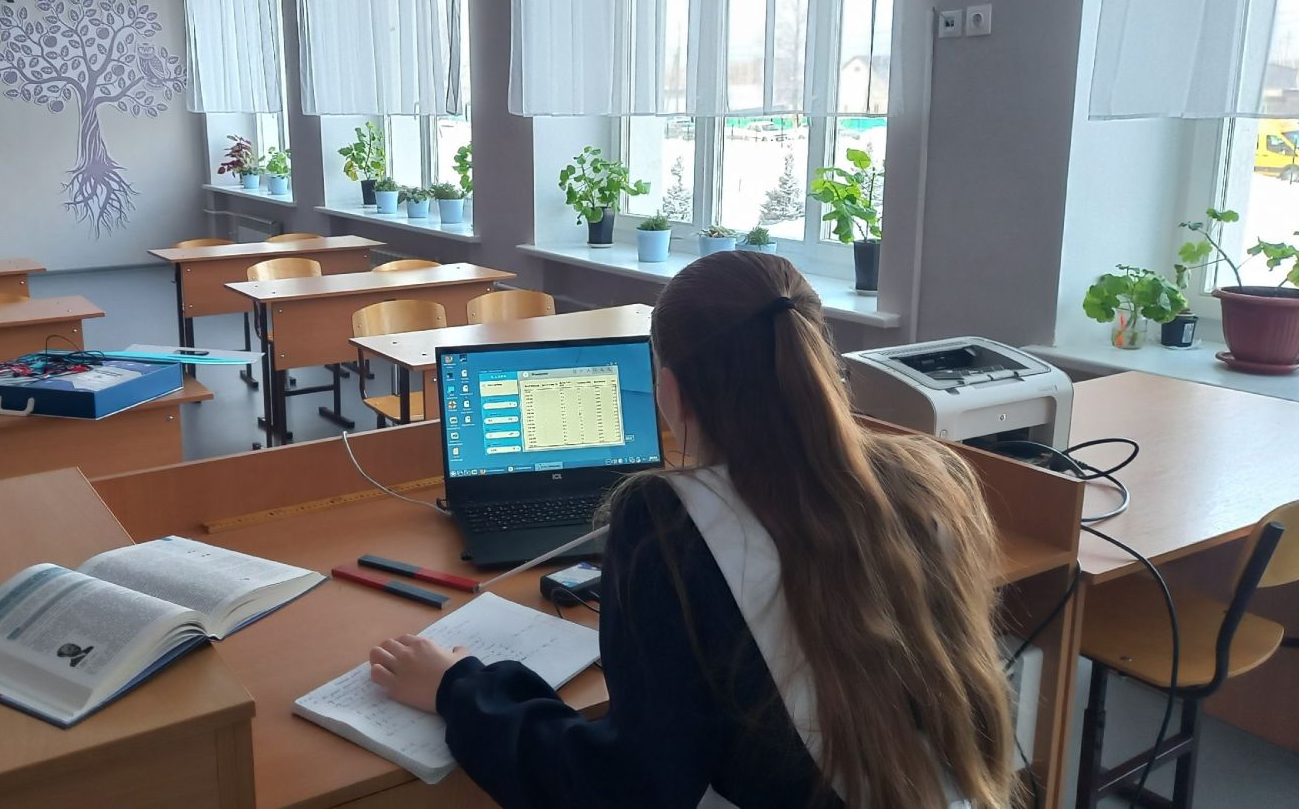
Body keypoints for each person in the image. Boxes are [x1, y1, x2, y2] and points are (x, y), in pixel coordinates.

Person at [367, 251, 1016, 809]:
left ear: (670, 392)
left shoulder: (668, 521)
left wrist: (461, 689)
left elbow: (630, 788)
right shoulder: (930, 479)